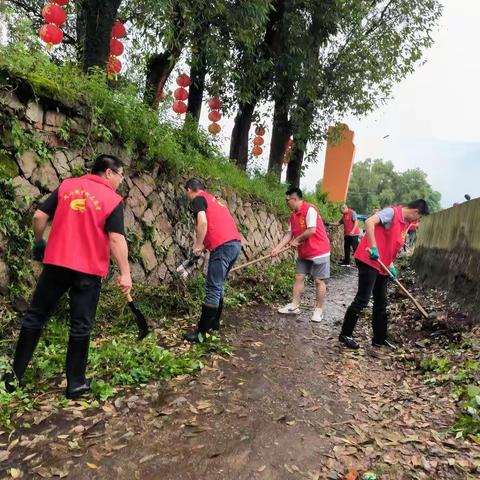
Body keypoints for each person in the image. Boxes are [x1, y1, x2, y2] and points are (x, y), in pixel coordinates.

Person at [3, 155, 132, 399]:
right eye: (120, 175)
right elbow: (116, 238)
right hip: (88, 270)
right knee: (80, 325)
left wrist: (40, 242)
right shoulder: (112, 200)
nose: (121, 180)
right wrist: (125, 274)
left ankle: (13, 378)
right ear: (108, 172)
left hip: (56, 264)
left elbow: (40, 216)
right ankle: (75, 384)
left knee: (35, 316)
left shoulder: (67, 186)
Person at [338, 199, 429, 350]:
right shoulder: (392, 213)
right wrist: (373, 247)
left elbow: (390, 246)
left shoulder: (405, 224)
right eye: (419, 217)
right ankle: (345, 334)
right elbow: (369, 222)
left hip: (382, 265)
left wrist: (391, 266)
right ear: (415, 212)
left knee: (381, 302)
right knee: (363, 299)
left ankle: (379, 339)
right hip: (369, 259)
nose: (417, 220)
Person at [183, 178, 241, 342]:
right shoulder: (215, 200)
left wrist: (198, 245)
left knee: (213, 287)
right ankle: (214, 323)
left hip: (222, 247)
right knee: (219, 284)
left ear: (189, 190)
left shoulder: (198, 199)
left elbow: (202, 223)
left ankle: (201, 332)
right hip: (234, 244)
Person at [272, 188, 330, 322]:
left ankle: (318, 311)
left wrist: (297, 240)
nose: (286, 203)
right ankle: (294, 305)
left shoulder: (310, 210)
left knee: (319, 281)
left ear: (295, 199)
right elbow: (289, 234)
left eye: (287, 200)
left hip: (319, 250)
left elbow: (311, 230)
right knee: (299, 276)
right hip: (304, 251)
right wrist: (277, 248)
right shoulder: (293, 215)